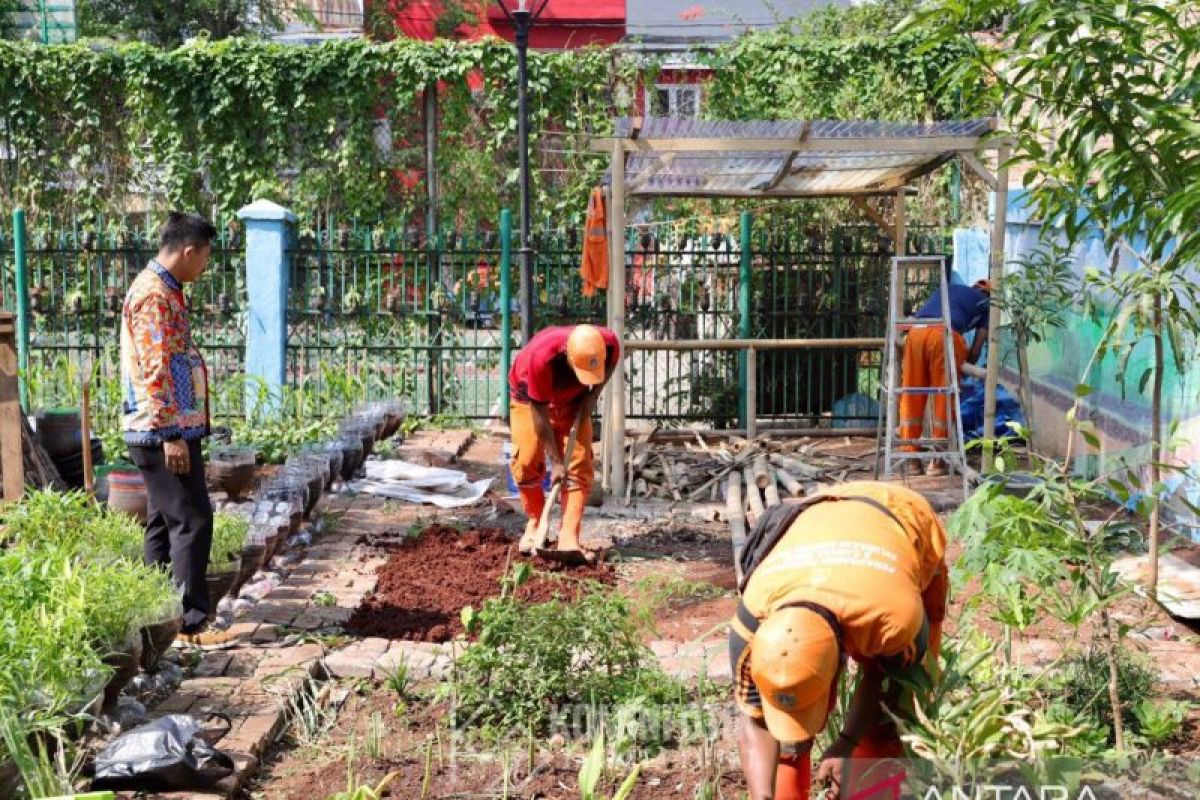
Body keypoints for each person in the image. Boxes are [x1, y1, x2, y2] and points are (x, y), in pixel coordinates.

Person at [730, 481, 948, 800]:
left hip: (901, 517)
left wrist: (847, 743)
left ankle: (872, 788)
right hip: (823, 515)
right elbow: (755, 719)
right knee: (789, 746)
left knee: (892, 719)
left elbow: (883, 682)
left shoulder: (895, 621)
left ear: (836, 663)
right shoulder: (750, 632)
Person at [121, 212, 228, 647]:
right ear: (189, 251)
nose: (205, 267)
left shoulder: (166, 290)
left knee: (164, 525)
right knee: (192, 519)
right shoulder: (154, 296)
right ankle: (189, 623)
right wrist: (171, 435)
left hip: (164, 429)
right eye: (205, 258)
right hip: (160, 431)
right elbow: (155, 368)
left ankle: (157, 622)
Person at [510, 324, 620, 561]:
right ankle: (536, 524)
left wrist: (593, 395)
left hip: (573, 401)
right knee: (526, 459)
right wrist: (556, 462)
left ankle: (569, 536)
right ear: (569, 358)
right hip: (529, 400)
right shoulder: (540, 359)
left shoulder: (607, 342)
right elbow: (540, 417)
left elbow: (612, 361)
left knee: (579, 463)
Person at [898, 279, 993, 476]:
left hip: (916, 333)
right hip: (943, 335)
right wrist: (964, 364)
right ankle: (938, 461)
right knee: (944, 397)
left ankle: (911, 461)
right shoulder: (988, 306)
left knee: (911, 394)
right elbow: (977, 347)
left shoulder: (952, 289)